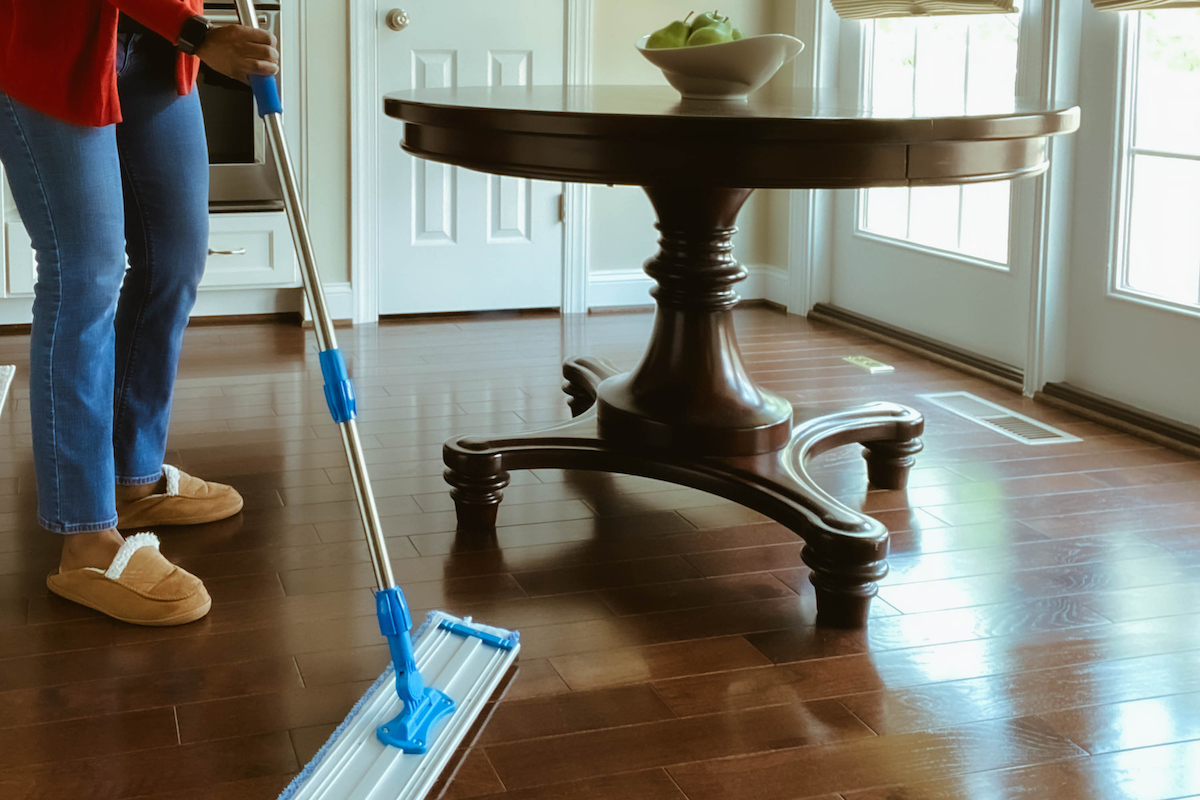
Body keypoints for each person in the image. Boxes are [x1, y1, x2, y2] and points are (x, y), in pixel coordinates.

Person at [0, 1, 280, 626]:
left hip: (159, 41)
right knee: (86, 274)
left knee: (176, 256)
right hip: (55, 36)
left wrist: (187, 31)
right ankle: (86, 537)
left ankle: (133, 478)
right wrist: (200, 33)